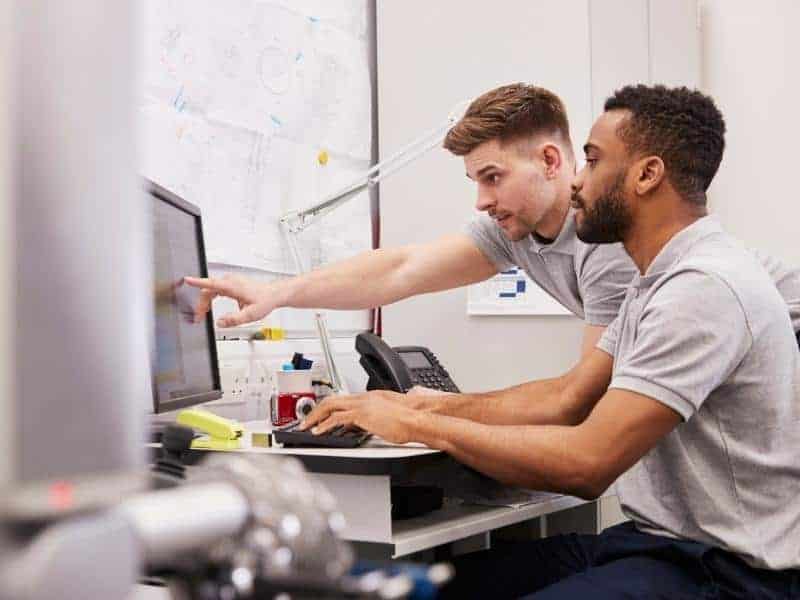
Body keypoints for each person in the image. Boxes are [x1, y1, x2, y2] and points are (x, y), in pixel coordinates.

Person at [299, 85, 800, 598]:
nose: (578, 181)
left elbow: (587, 463)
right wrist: (433, 406)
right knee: (420, 589)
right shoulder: (656, 281)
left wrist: (417, 424)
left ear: (647, 175)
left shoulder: (700, 288)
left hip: (731, 574)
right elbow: (567, 397)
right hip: (657, 543)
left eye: (592, 160)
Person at [185, 83, 800, 360]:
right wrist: (278, 293)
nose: (481, 200)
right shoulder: (518, 228)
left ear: (550, 160)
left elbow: (582, 399)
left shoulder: (608, 237)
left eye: (492, 177)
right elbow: (401, 269)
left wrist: (430, 416)